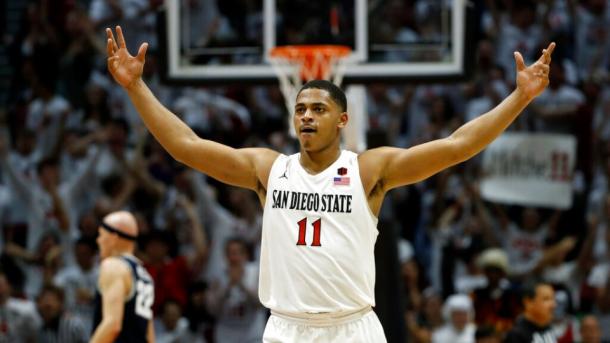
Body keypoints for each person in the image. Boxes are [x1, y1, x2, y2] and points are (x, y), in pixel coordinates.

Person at [105, 25, 555, 342]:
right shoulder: (268, 169)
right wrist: (135, 88)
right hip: (285, 328)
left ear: (342, 120)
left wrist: (519, 98)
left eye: (318, 109)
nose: (306, 116)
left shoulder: (368, 170)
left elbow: (458, 145)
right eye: (300, 109)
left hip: (353, 327)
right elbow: (185, 145)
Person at [90, 210, 155, 342]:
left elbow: (112, 325)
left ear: (113, 238)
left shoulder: (114, 266)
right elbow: (149, 334)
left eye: (101, 235)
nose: (98, 240)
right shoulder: (144, 275)